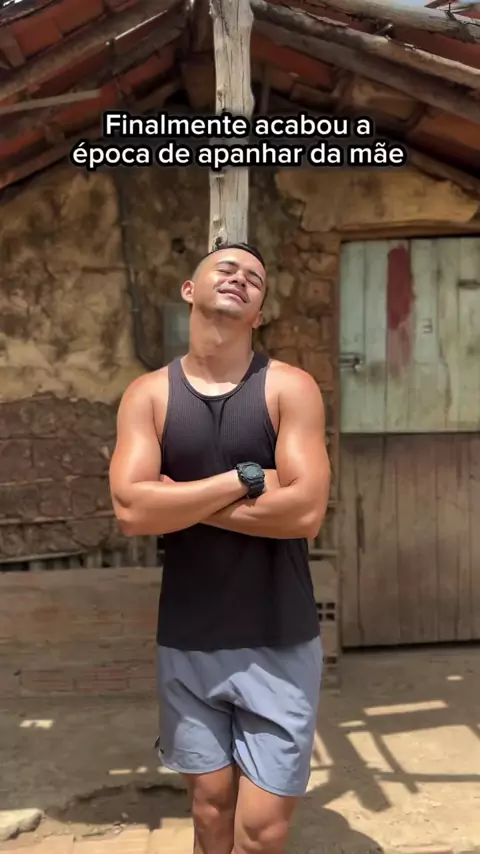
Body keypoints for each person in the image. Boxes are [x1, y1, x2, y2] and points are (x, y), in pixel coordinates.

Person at [109, 242, 331, 854]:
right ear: (190, 289)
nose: (239, 278)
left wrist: (177, 500)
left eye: (254, 278)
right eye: (225, 268)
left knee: (261, 831)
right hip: (188, 636)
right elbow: (131, 512)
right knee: (209, 810)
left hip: (279, 634)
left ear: (259, 312)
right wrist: (245, 479)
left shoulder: (289, 387)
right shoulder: (149, 396)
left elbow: (306, 512)